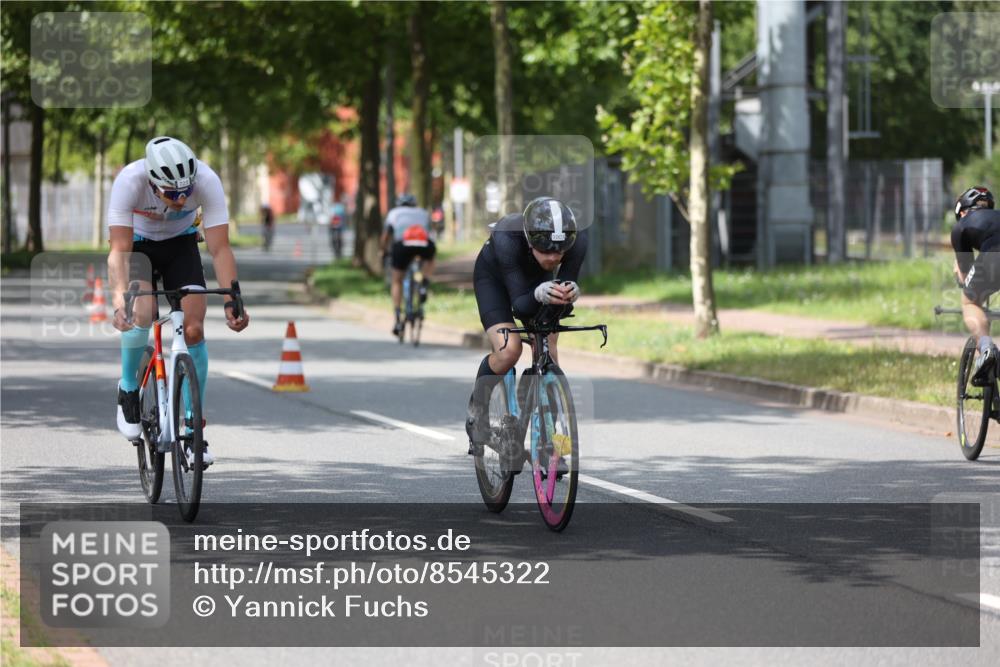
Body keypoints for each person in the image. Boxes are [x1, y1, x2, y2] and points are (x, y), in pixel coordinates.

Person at [107, 136, 250, 466]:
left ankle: (193, 431)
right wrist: (119, 302)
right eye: (172, 193)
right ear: (153, 183)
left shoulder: (207, 181)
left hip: (181, 245)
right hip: (138, 245)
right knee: (141, 311)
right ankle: (128, 389)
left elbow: (220, 249)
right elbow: (119, 251)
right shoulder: (129, 181)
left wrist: (233, 300)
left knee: (194, 328)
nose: (182, 198)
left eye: (186, 191)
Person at [465, 196, 588, 453]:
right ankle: (478, 413)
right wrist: (537, 294)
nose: (555, 257)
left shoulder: (576, 242)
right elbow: (520, 304)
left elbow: (563, 302)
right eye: (546, 250)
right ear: (530, 241)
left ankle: (548, 439)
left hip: (536, 281)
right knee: (509, 350)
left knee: (548, 347)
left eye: (560, 250)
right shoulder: (507, 238)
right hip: (495, 279)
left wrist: (569, 293)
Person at [951, 186, 999, 382]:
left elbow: (966, 272)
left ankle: (987, 348)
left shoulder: (961, 226)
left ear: (962, 211)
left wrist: (960, 277)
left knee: (970, 302)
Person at [380, 193, 436, 336]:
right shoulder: (423, 212)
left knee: (397, 280)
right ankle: (424, 283)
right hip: (423, 244)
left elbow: (386, 235)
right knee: (430, 259)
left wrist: (383, 250)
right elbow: (430, 232)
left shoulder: (394, 213)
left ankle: (398, 317)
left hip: (402, 245)